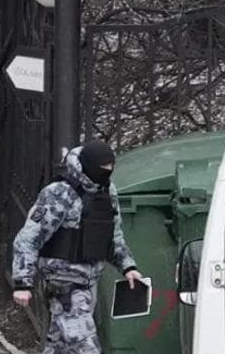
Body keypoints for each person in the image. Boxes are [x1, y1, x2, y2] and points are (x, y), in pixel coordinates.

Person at [12, 140, 143, 354]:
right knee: (85, 346)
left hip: (89, 282)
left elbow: (113, 236)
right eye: (102, 170)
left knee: (60, 347)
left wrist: (128, 266)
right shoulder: (59, 193)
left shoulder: (107, 192)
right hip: (63, 283)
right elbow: (28, 238)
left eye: (110, 170)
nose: (106, 174)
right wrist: (22, 283)